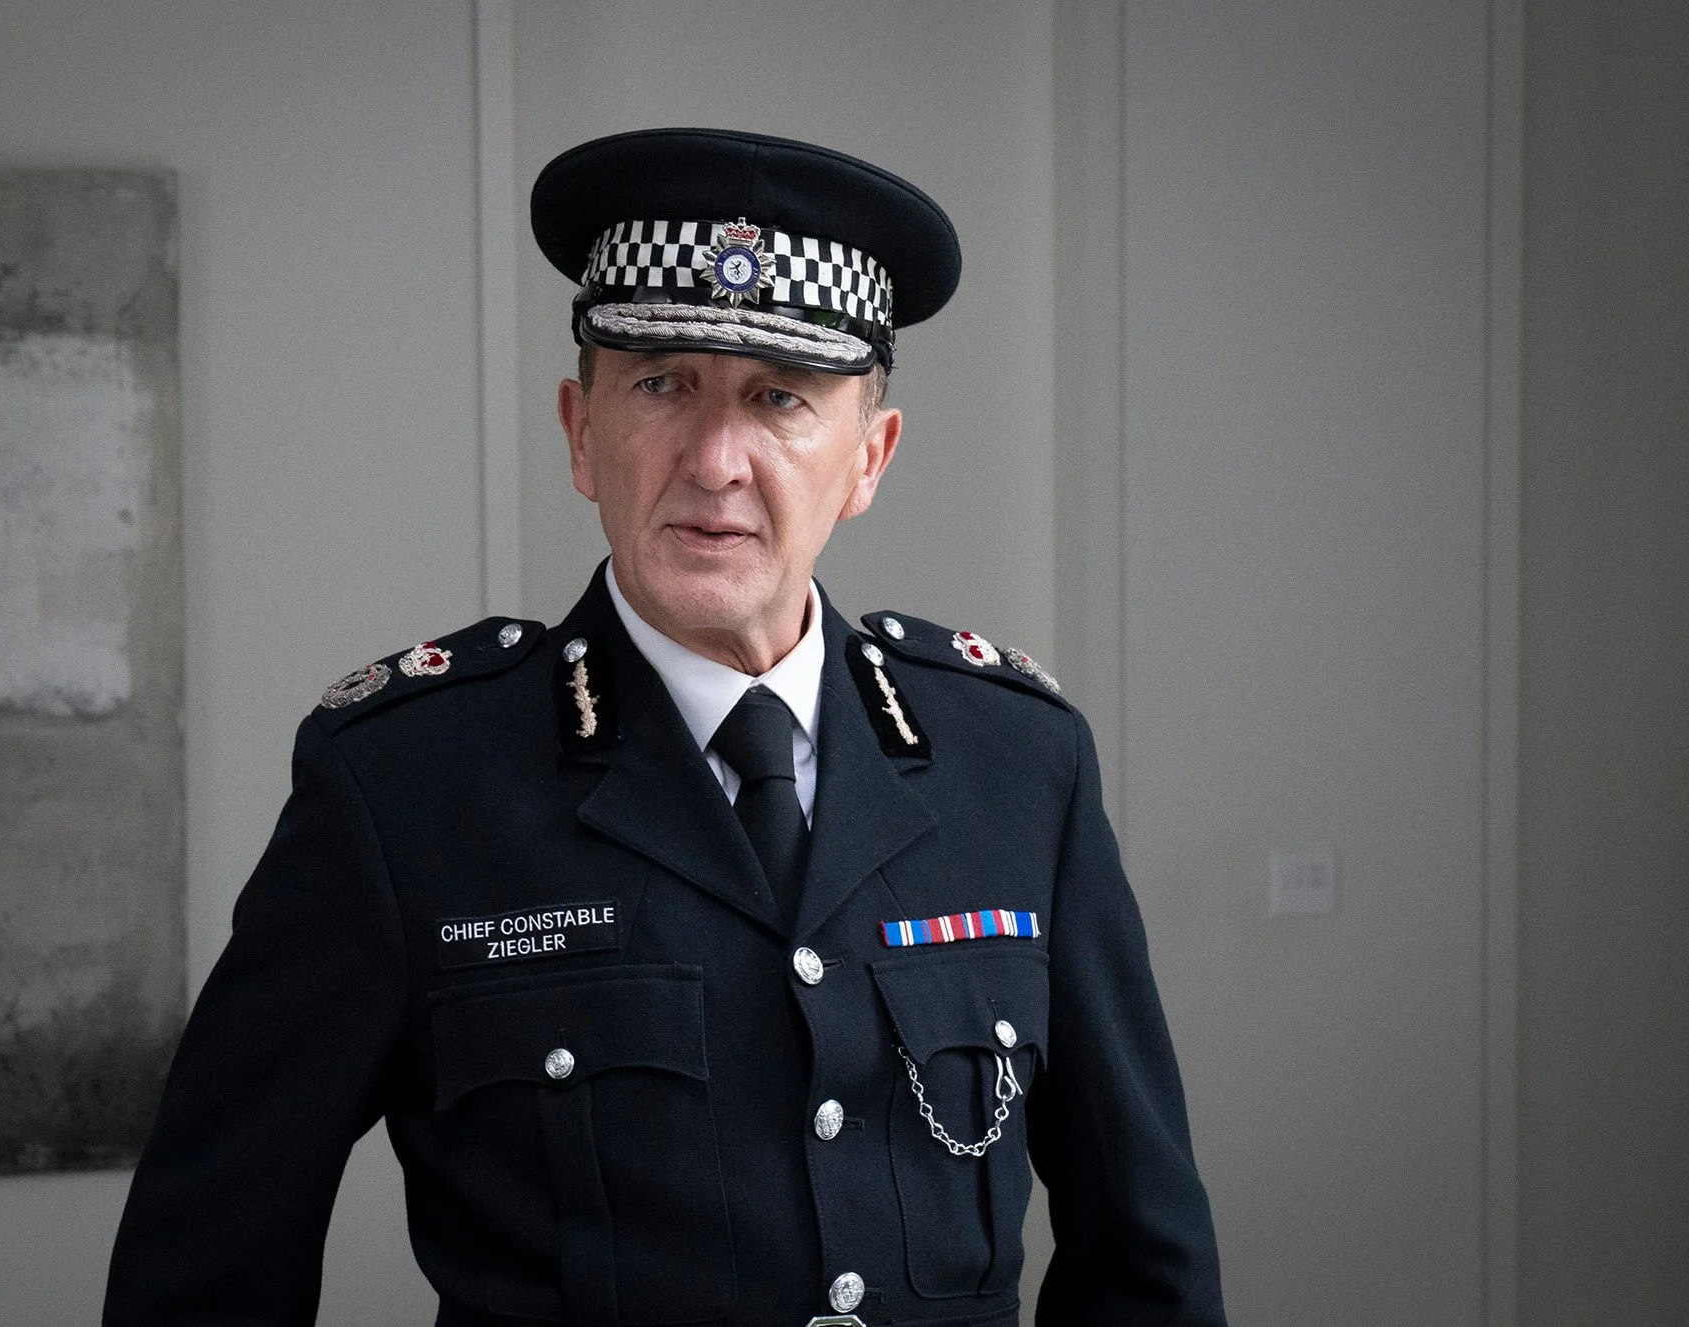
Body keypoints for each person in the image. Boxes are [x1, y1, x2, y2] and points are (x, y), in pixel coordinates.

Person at [104, 127, 1225, 1327]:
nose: (714, 460)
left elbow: (1145, 1262)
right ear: (580, 433)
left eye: (778, 398)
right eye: (659, 385)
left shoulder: (1017, 766)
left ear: (869, 458)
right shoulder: (405, 786)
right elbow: (202, 1274)